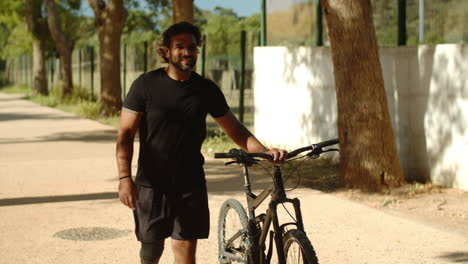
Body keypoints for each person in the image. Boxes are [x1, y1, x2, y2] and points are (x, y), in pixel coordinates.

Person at [116, 21, 287, 264]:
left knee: (186, 252)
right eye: (180, 46)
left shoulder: (205, 89)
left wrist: (264, 151)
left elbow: (235, 129)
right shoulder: (145, 85)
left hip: (189, 183)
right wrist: (125, 178)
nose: (188, 52)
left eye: (193, 47)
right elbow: (124, 135)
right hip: (152, 183)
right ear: (166, 51)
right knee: (151, 251)